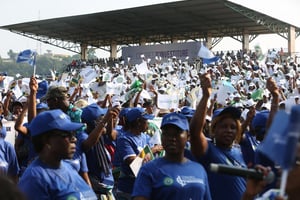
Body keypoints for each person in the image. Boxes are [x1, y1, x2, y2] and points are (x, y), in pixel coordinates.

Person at [190, 73, 247, 200]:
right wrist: (206, 96)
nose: (229, 130)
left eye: (233, 127)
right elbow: (194, 132)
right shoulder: (209, 150)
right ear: (214, 130)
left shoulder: (240, 152)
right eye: (224, 126)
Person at [18, 109, 97, 199]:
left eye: (73, 133)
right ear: (47, 141)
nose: (74, 139)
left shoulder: (68, 167)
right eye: (66, 134)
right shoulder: (34, 179)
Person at [132, 112, 211, 200]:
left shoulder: (199, 170)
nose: (172, 138)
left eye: (177, 133)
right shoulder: (148, 170)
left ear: (188, 136)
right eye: (166, 133)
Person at [115, 107, 161, 200]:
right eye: (146, 121)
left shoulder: (145, 137)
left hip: (145, 189)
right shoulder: (125, 140)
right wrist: (152, 150)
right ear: (138, 122)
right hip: (128, 190)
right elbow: (132, 161)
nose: (148, 123)